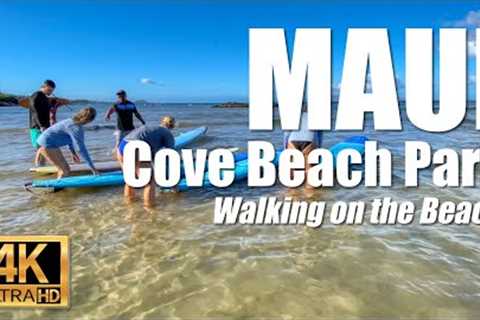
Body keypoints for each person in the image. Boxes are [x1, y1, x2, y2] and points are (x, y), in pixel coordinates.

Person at [117, 116, 176, 208]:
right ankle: (149, 209)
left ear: (161, 122)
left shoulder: (151, 128)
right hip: (136, 147)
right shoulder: (167, 133)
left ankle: (129, 205)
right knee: (149, 181)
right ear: (173, 126)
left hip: (122, 146)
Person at [36, 107, 99, 178]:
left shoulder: (71, 121)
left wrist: (73, 153)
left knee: (66, 169)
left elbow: (69, 139)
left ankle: (41, 153)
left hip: (47, 142)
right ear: (90, 120)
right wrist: (93, 168)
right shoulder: (76, 128)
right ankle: (56, 188)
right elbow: (81, 149)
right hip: (48, 144)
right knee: (64, 170)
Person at [284, 111, 322, 188]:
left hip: (292, 140)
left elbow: (287, 133)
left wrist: (285, 148)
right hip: (309, 139)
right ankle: (310, 195)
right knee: (309, 170)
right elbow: (319, 135)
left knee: (291, 169)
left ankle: (291, 194)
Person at [29, 80, 57, 165]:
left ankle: (42, 165)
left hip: (44, 126)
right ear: (43, 87)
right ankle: (39, 166)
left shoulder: (44, 97)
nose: (50, 92)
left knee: (44, 147)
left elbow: (46, 110)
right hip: (37, 126)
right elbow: (35, 111)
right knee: (40, 147)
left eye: (52, 91)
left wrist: (53, 103)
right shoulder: (36, 95)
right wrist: (41, 126)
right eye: (49, 90)